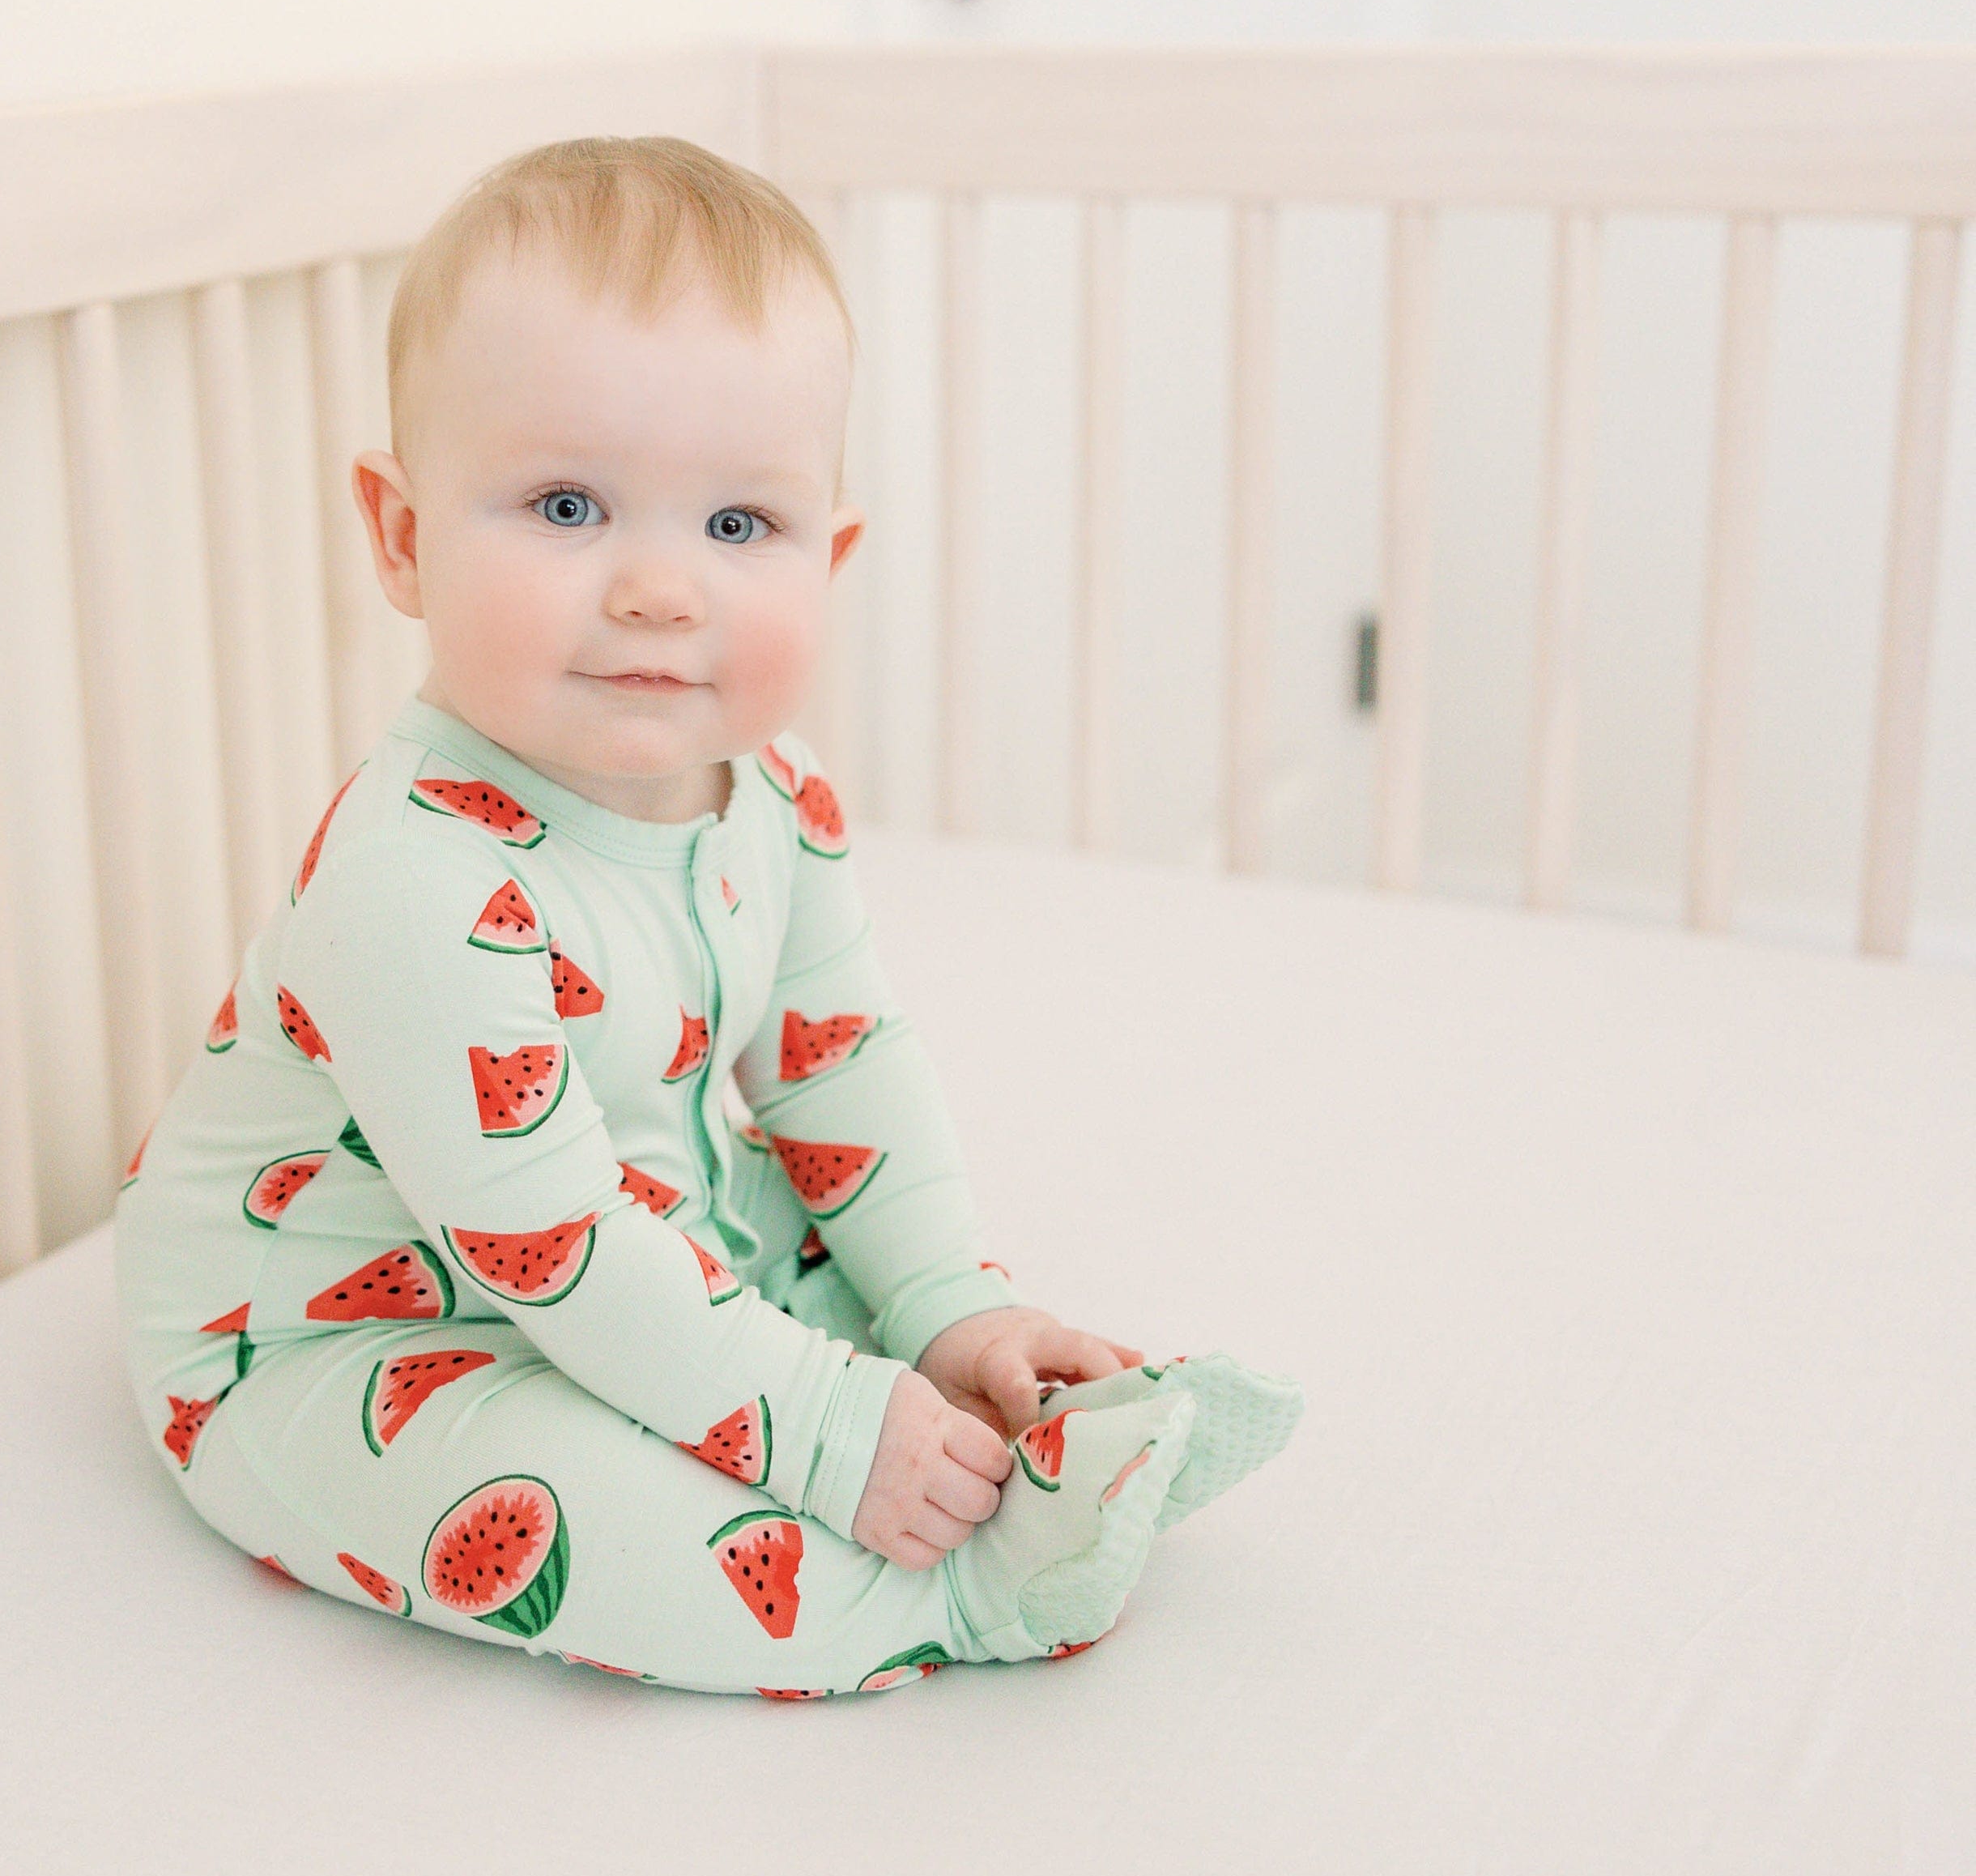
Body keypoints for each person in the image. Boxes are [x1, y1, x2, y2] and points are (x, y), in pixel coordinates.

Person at [113, 136, 1300, 1695]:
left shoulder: (775, 795)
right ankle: (972, 1598)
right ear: (402, 537)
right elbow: (553, 1246)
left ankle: (1022, 1422)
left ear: (829, 556)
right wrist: (826, 1426)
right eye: (568, 505)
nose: (662, 590)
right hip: (337, 1339)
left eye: (739, 527)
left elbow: (838, 1066)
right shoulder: (414, 880)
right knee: (583, 1524)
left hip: (641, 1229)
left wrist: (948, 1310)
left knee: (839, 1285)